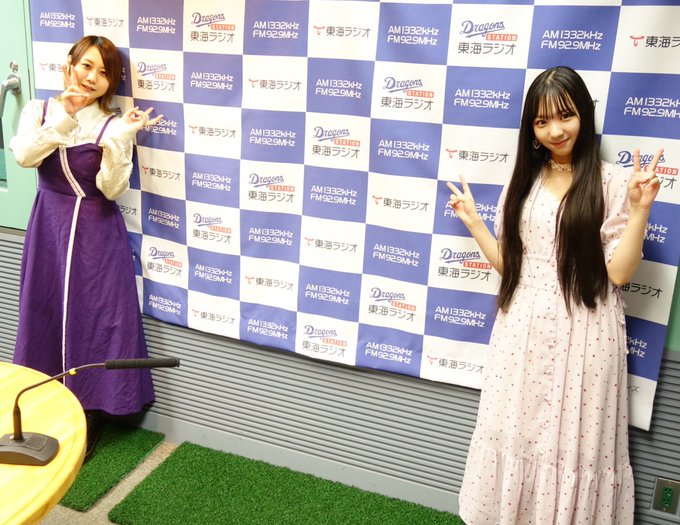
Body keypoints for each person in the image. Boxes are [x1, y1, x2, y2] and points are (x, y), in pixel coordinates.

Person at [447, 66, 663, 524]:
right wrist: (475, 223)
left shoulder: (611, 181)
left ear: (583, 113)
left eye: (565, 116)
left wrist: (640, 209)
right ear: (531, 128)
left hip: (586, 329)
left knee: (575, 444)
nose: (555, 131)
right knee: (515, 433)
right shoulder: (522, 181)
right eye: (542, 121)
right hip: (521, 327)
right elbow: (514, 267)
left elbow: (618, 273)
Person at [9, 35, 163, 458]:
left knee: (96, 316)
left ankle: (91, 410)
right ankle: (45, 396)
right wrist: (66, 115)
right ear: (70, 65)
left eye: (104, 72)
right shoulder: (38, 110)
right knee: (45, 307)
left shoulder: (113, 124)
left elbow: (111, 190)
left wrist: (120, 141)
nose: (93, 77)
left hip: (96, 232)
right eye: (87, 66)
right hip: (48, 226)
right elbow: (24, 156)